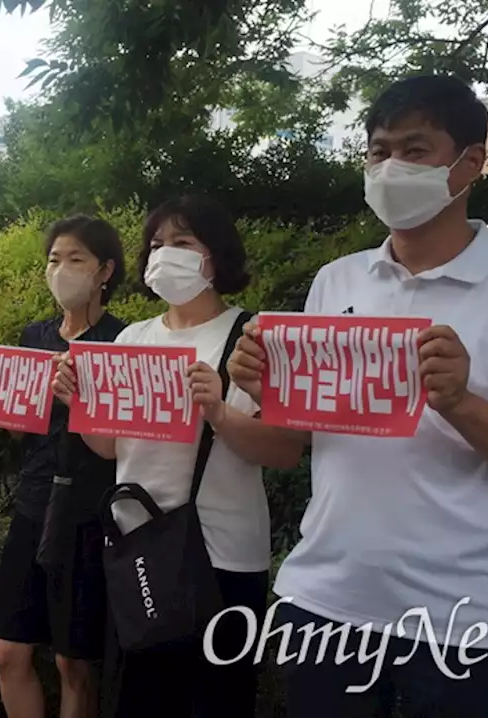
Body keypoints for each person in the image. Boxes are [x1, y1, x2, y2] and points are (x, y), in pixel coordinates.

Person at [227, 76, 488, 717]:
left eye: (415, 150)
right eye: (378, 150)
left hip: (464, 618)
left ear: (470, 162)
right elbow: (292, 442)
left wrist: (460, 401)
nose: (391, 166)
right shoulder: (336, 281)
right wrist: (260, 388)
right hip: (325, 601)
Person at [52, 196, 303, 718]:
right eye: (158, 245)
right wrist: (79, 404)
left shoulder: (251, 338)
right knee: (138, 702)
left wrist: (217, 411)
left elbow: (284, 449)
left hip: (222, 559)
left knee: (216, 702)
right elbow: (111, 448)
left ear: (216, 255)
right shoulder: (131, 339)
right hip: (139, 552)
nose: (167, 254)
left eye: (184, 243)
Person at [0, 216, 126, 718]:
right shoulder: (35, 335)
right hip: (32, 504)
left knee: (74, 663)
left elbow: (118, 444)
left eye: (75, 259)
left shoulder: (122, 341)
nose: (61, 270)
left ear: (104, 270)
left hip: (87, 513)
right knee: (7, 651)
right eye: (53, 259)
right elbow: (17, 432)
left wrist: (78, 399)